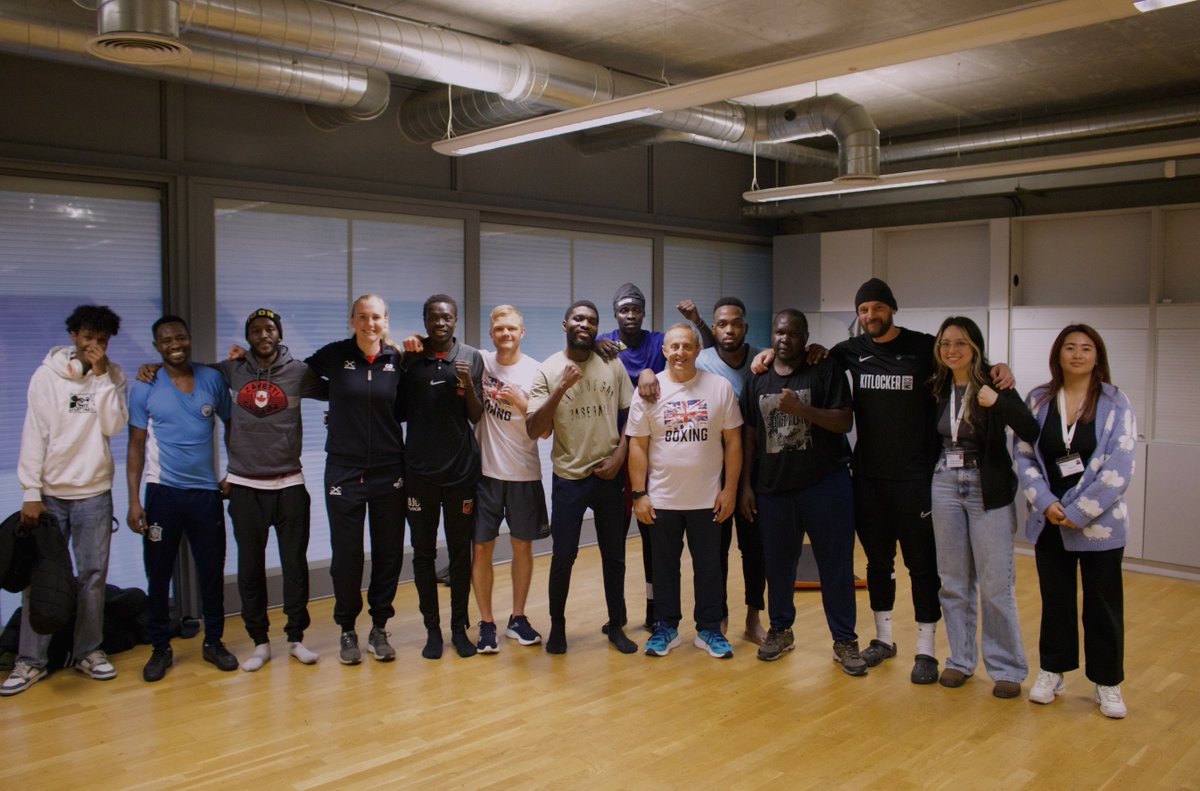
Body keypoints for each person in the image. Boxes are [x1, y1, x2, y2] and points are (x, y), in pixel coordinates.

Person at [751, 278, 1015, 683]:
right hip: (868, 477)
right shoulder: (848, 351)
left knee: (921, 565)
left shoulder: (923, 347)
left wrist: (998, 368)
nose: (870, 315)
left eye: (877, 307)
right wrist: (772, 352)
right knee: (877, 563)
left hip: (916, 477)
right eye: (863, 309)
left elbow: (961, 359)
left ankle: (925, 649)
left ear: (892, 308)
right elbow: (805, 353)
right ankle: (883, 639)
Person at [2, 306, 127, 697]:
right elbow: (33, 433)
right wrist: (30, 492)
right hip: (51, 496)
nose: (94, 345)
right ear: (74, 336)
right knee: (42, 577)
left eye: (102, 340)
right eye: (88, 337)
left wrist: (101, 376)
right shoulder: (47, 375)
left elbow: (113, 425)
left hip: (95, 493)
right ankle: (30, 661)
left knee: (92, 577)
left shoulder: (113, 375)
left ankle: (88, 651)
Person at [1016, 325, 1136, 718]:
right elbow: (1023, 454)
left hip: (1100, 524)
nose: (1078, 354)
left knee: (1102, 604)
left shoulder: (1115, 402)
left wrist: (1079, 511)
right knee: (1056, 601)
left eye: (1086, 348)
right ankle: (1053, 670)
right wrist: (1046, 502)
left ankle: (1107, 681)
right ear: (1058, 354)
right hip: (1049, 520)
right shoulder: (1038, 399)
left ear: (1097, 356)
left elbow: (1121, 464)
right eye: (1070, 347)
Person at [739, 309, 866, 675]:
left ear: (805, 338)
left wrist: (801, 409)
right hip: (774, 489)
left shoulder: (824, 369)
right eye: (779, 332)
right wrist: (746, 485)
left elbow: (844, 420)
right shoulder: (757, 378)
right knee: (778, 566)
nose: (785, 339)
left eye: (793, 333)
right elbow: (750, 435)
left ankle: (844, 640)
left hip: (825, 485)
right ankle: (780, 630)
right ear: (771, 335)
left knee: (835, 566)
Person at [928, 316, 1039, 699]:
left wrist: (999, 401)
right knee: (953, 582)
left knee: (995, 585)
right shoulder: (936, 385)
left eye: (960, 343)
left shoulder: (996, 382)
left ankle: (1006, 667)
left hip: (986, 487)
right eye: (945, 343)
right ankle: (960, 660)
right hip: (944, 483)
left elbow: (1031, 429)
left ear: (975, 346)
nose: (952, 350)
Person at [595, 283, 714, 632]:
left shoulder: (659, 342)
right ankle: (616, 614)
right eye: (624, 310)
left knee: (653, 541)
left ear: (644, 313)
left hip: (648, 452)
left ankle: (654, 608)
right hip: (612, 449)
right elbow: (575, 346)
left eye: (636, 309)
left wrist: (697, 320)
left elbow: (706, 349)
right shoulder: (605, 342)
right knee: (613, 541)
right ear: (615, 314)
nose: (630, 315)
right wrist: (589, 342)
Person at [126, 315, 237, 682]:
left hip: (205, 494)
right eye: (166, 340)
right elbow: (136, 444)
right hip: (162, 493)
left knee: (212, 572)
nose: (174, 344)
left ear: (189, 339)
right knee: (158, 575)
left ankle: (214, 642)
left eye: (180, 337)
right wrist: (133, 500)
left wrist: (233, 472)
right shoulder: (145, 385)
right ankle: (160, 647)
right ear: (157, 346)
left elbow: (232, 425)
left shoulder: (212, 379)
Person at [216, 309, 326, 670]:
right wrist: (152, 368)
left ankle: (295, 638)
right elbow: (190, 374)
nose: (263, 334)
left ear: (279, 334)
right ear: (248, 337)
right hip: (245, 486)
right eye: (256, 330)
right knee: (250, 567)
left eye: (269, 329)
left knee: (294, 566)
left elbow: (339, 391)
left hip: (289, 483)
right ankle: (259, 642)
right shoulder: (231, 369)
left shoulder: (300, 372)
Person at [526, 300, 636, 655]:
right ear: (565, 324)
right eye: (578, 318)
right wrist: (561, 386)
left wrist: (620, 456)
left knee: (614, 555)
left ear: (597, 328)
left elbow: (632, 415)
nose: (584, 324)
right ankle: (558, 627)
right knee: (563, 557)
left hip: (608, 474)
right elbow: (533, 430)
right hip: (569, 478)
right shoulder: (547, 370)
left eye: (591, 320)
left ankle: (616, 625)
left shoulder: (611, 362)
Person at [627, 323, 742, 659]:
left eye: (687, 346)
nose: (680, 353)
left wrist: (730, 490)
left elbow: (734, 442)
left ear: (697, 349)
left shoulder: (719, 387)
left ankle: (709, 629)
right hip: (662, 499)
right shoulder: (648, 391)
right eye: (674, 347)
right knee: (663, 567)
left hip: (708, 499)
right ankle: (666, 627)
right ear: (665, 351)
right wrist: (639, 494)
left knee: (710, 567)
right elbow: (638, 445)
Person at [306, 294, 407, 665]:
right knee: (347, 554)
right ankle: (347, 628)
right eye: (362, 317)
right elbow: (297, 376)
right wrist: (337, 399)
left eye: (376, 317)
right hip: (344, 469)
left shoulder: (397, 359)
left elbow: (407, 402)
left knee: (388, 552)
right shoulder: (335, 355)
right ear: (352, 320)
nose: (369, 323)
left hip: (389, 468)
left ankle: (379, 627)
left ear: (385, 321)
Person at [400, 295, 483, 660]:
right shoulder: (412, 359)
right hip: (419, 473)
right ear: (425, 320)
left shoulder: (471, 357)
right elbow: (397, 410)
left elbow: (476, 415)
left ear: (456, 320)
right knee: (423, 553)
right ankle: (432, 630)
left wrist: (467, 383)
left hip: (460, 472)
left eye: (447, 317)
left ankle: (458, 629)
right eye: (434, 318)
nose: (441, 323)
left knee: (461, 554)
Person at [470, 305, 548, 654]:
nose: (506, 334)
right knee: (481, 548)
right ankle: (486, 623)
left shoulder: (536, 371)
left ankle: (517, 618)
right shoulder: (480, 362)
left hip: (523, 473)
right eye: (499, 328)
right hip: (484, 474)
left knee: (522, 547)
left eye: (512, 328)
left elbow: (544, 431)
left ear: (522, 332)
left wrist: (522, 402)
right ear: (491, 333)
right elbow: (443, 349)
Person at [694, 296, 767, 645]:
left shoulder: (763, 359)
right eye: (722, 324)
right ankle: (719, 614)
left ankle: (754, 617)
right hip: (714, 470)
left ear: (745, 327)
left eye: (735, 323)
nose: (729, 329)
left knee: (754, 548)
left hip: (754, 469)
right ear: (714, 328)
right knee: (716, 548)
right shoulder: (701, 361)